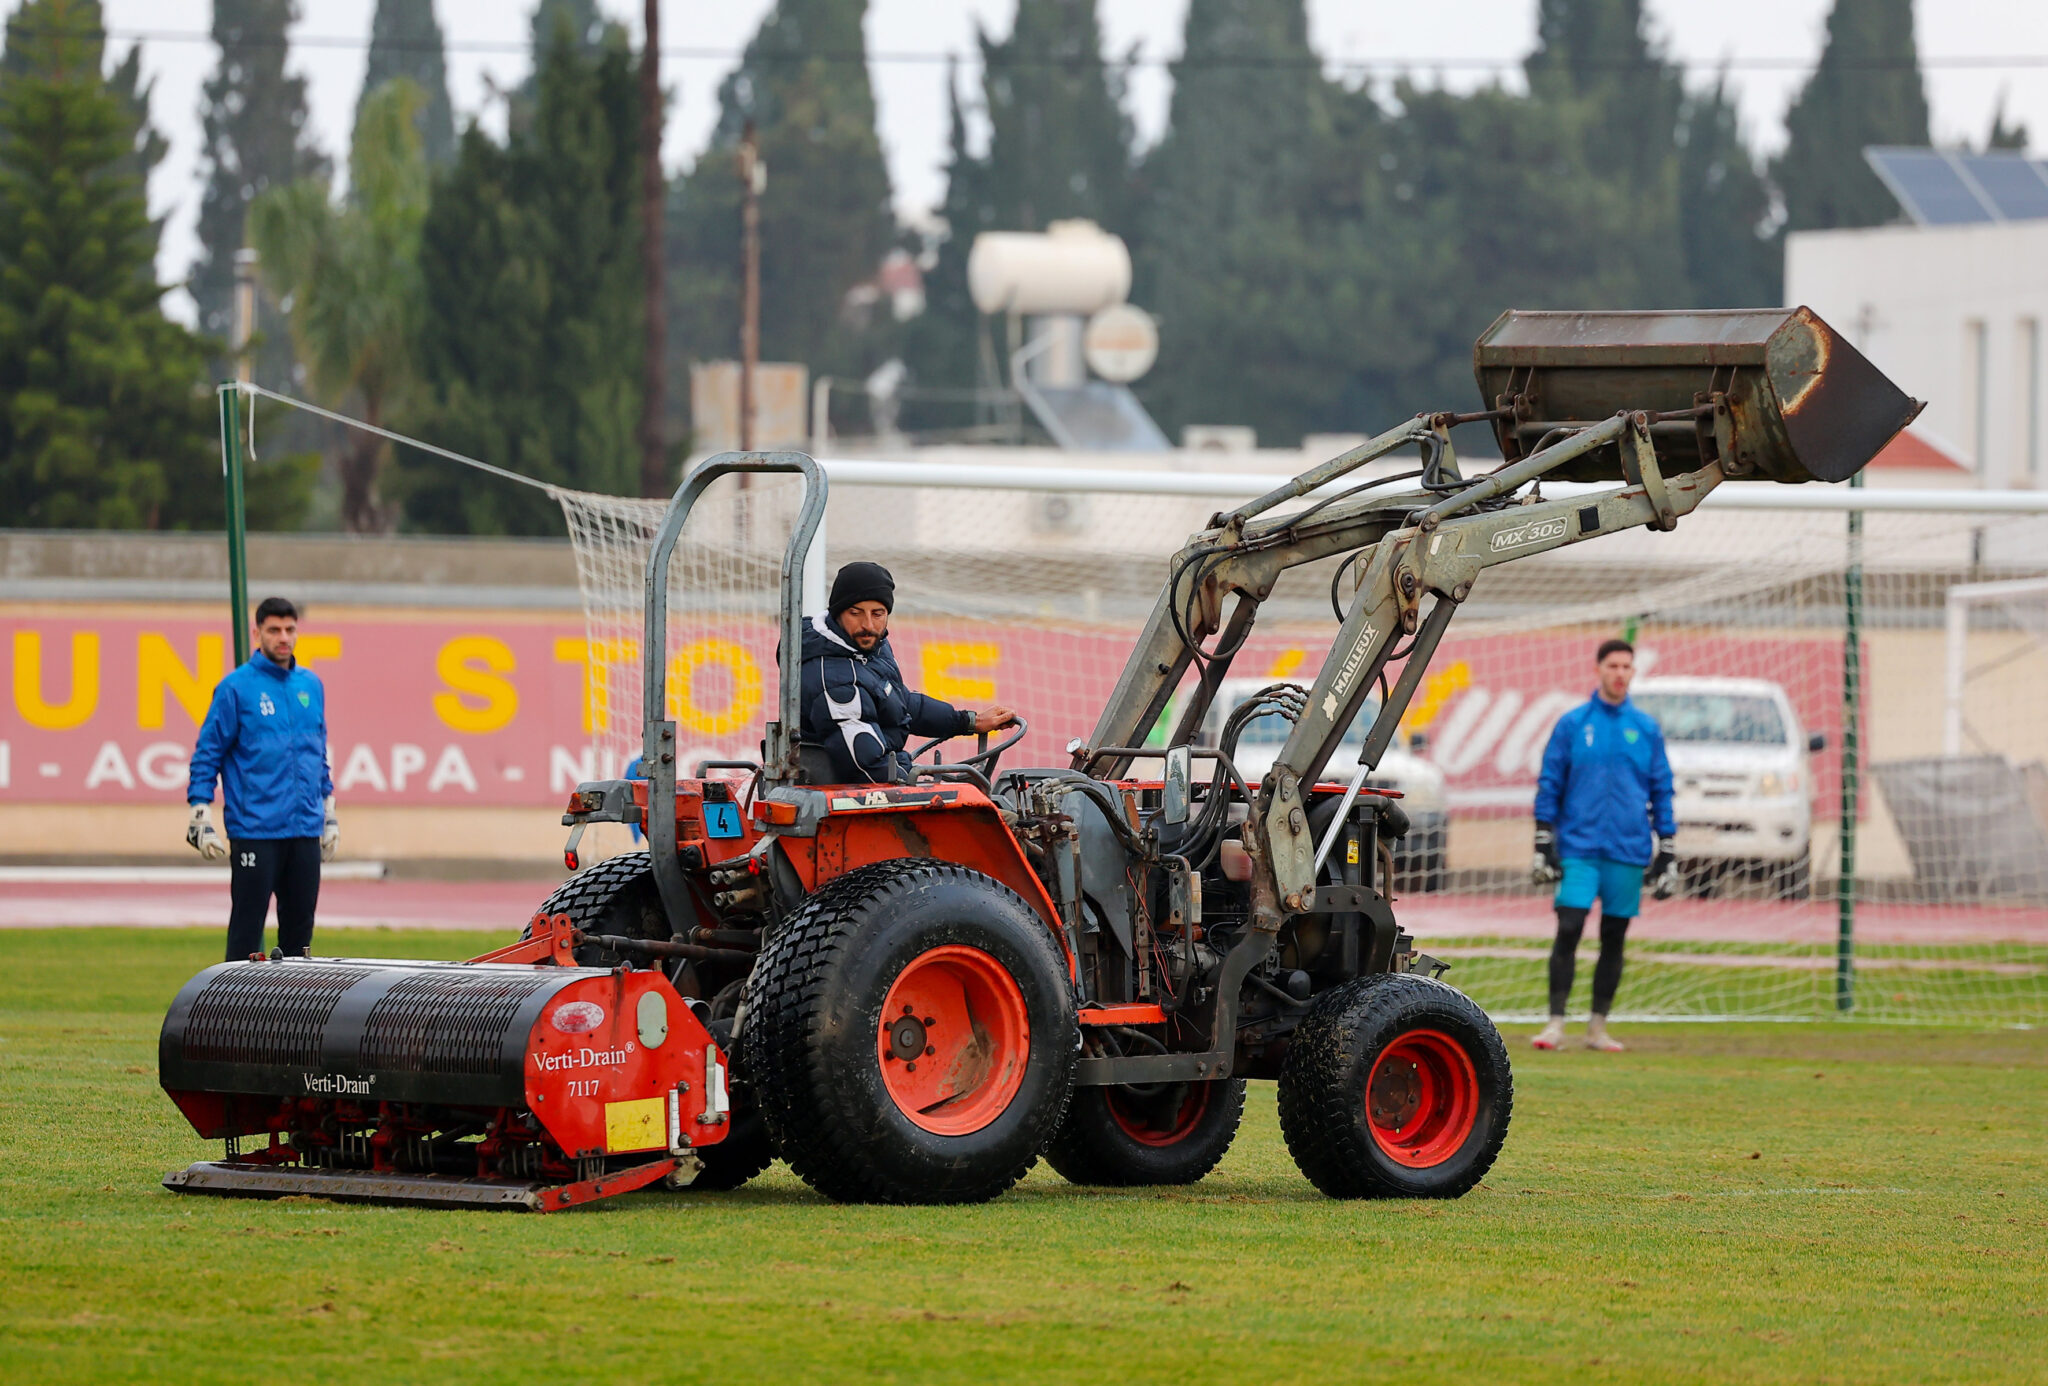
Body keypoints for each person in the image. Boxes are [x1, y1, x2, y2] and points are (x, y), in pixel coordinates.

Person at [1529, 638, 1677, 1052]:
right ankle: (1555, 1024)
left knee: (1614, 937)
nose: (1619, 673)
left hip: (1627, 851)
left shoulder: (1646, 729)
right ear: (1598, 670)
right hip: (1579, 848)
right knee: (1570, 928)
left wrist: (1667, 847)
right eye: (1613, 665)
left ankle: (1597, 1028)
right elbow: (1550, 782)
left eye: (1626, 667)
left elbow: (1662, 789)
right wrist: (1544, 839)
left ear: (1633, 672)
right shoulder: (1573, 724)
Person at [187, 597, 338, 961]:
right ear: (257, 633)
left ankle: (293, 1015)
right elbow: (208, 752)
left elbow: (317, 754)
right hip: (256, 829)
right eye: (274, 630)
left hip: (304, 829)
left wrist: (329, 809)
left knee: (300, 935)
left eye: (290, 629)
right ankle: (228, 1014)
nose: (283, 637)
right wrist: (200, 813)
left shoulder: (311, 685)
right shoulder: (235, 688)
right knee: (247, 929)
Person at [800, 561, 1016, 784]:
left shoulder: (867, 647)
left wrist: (970, 721)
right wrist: (919, 785)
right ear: (837, 614)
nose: (868, 625)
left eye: (877, 614)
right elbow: (866, 768)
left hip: (892, 774)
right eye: (856, 613)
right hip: (863, 795)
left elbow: (899, 702)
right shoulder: (834, 679)